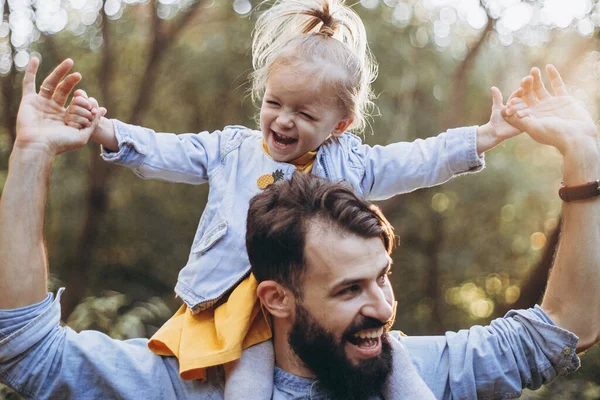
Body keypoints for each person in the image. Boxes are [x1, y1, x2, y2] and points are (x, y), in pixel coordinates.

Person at [0, 57, 598, 399]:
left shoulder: (422, 369)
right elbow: (28, 355)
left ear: (338, 123)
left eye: (381, 278)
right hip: (218, 321)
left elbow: (564, 330)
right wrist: (36, 154)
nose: (383, 307)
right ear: (276, 297)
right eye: (347, 288)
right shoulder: (189, 384)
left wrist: (583, 158)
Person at [62, 1, 520, 396]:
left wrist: (482, 137)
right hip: (243, 307)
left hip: (325, 311)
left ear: (339, 124)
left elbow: (420, 159)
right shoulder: (232, 151)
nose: (282, 121)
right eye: (274, 103)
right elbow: (167, 149)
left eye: (304, 113)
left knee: (397, 367)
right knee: (247, 382)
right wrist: (105, 130)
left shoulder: (353, 163)